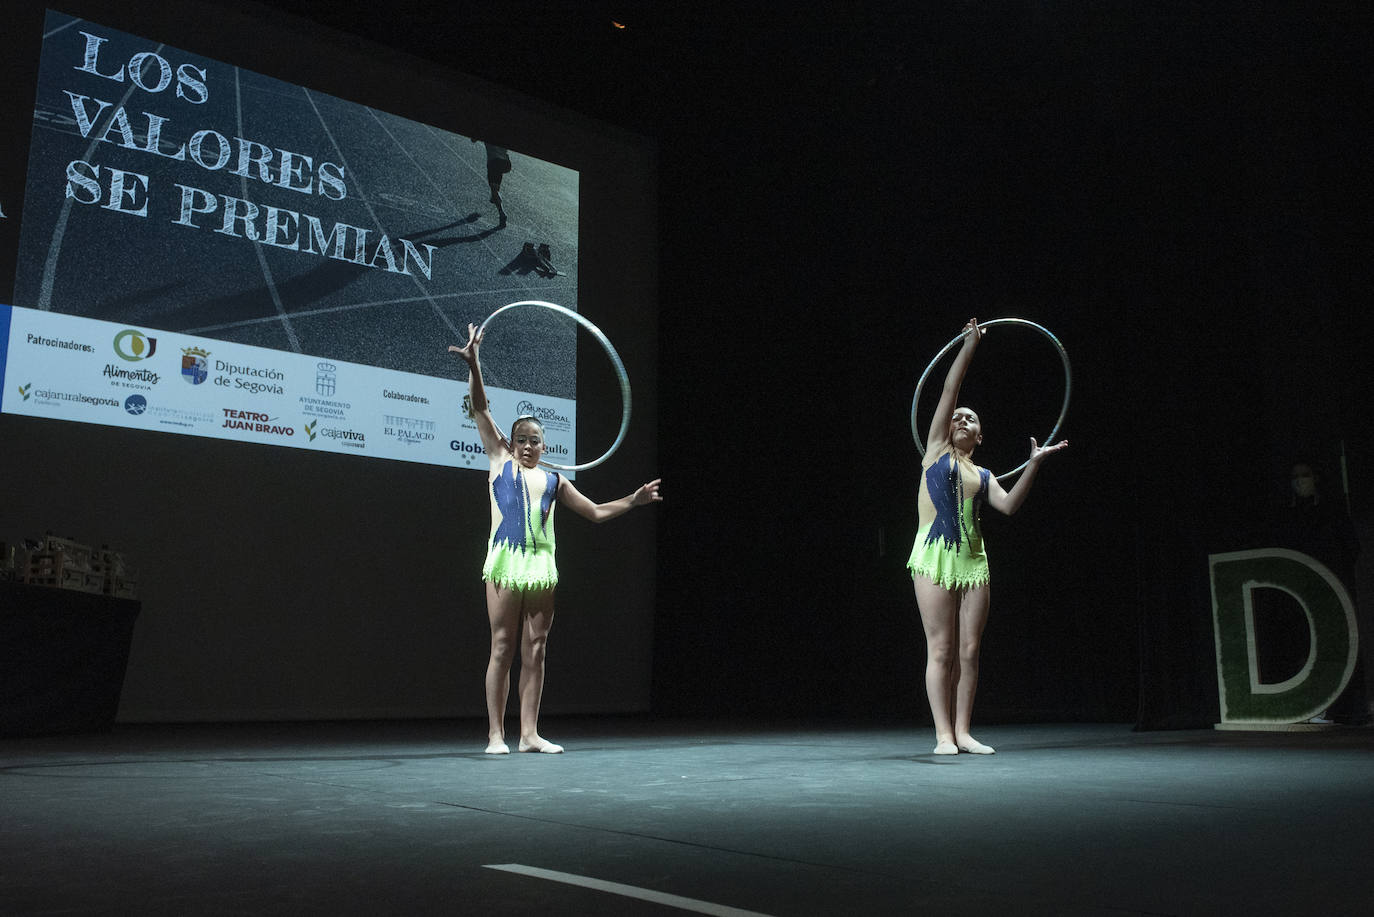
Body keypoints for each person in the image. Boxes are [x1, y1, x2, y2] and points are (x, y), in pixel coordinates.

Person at [449, 324, 662, 754]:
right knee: (503, 646)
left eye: (536, 441)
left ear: (545, 446)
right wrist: (474, 364)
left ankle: (529, 734)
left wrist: (634, 500)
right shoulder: (498, 461)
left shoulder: (554, 480)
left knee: (537, 648)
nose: (528, 446)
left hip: (541, 564)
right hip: (507, 560)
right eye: (522, 440)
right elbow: (480, 408)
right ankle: (496, 734)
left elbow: (597, 513)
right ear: (512, 443)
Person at [909, 318, 1068, 755]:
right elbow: (947, 394)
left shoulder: (983, 473)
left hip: (973, 562)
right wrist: (969, 347)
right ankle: (942, 734)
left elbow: (1009, 506)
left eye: (970, 418)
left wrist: (1034, 462)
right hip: (934, 556)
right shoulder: (936, 449)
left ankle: (963, 731)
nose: (961, 417)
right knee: (940, 648)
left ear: (980, 435)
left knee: (970, 651)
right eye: (958, 416)